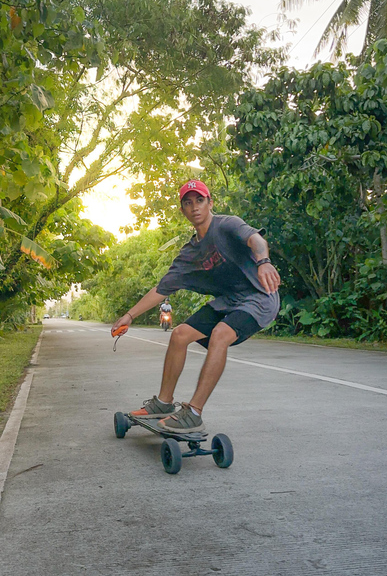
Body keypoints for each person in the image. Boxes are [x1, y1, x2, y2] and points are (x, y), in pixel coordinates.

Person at [111, 179, 281, 433]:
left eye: (199, 201)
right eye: (188, 203)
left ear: (210, 203)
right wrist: (129, 315)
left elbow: (255, 239)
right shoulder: (189, 254)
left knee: (220, 334)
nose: (194, 207)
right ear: (183, 210)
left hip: (260, 298)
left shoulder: (227, 225)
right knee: (179, 334)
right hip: (228, 303)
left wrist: (264, 261)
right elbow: (161, 289)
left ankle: (193, 412)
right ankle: (163, 403)